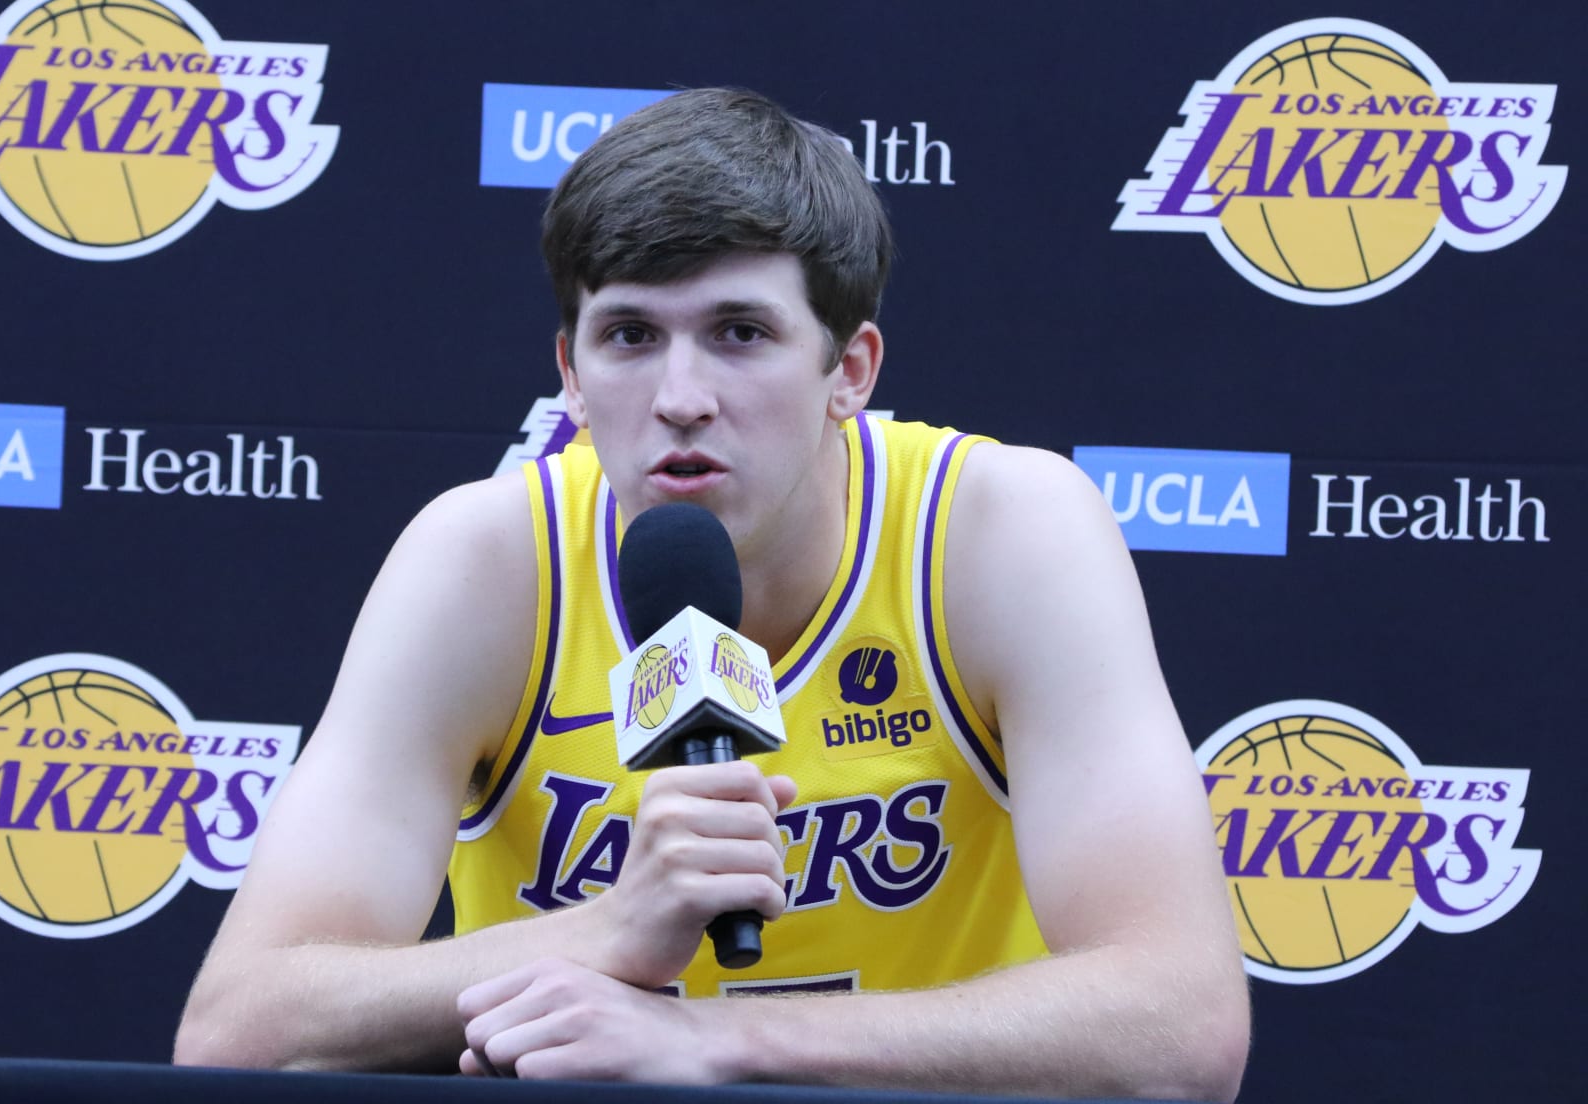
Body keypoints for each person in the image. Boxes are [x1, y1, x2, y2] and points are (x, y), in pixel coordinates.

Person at [174, 87, 1250, 1099]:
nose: (682, 399)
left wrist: (716, 1044)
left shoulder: (998, 531)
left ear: (852, 369)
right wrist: (605, 929)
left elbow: (1181, 1026)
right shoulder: (488, 557)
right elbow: (243, 1030)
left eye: (740, 334)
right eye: (632, 337)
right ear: (569, 372)